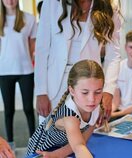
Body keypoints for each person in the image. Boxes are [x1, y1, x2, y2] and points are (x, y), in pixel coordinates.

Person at [35, 0, 122, 124]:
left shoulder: (110, 7)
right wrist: (41, 92)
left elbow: (113, 55)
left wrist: (108, 92)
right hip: (54, 85)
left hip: (90, 85)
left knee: (85, 136)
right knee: (51, 136)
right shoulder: (52, 3)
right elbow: (41, 50)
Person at [26, 60, 104, 158]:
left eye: (97, 92)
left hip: (61, 150)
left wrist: (56, 155)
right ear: (72, 90)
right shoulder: (70, 115)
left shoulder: (94, 108)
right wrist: (52, 155)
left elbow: (81, 141)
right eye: (85, 92)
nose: (92, 99)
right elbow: (79, 147)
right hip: (41, 151)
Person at [0, 0, 37, 149]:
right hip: (4, 71)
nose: (10, 1)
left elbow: (32, 44)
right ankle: (10, 143)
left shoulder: (29, 19)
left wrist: (29, 58)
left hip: (25, 70)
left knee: (29, 108)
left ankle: (34, 141)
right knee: (8, 110)